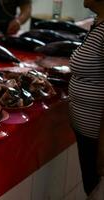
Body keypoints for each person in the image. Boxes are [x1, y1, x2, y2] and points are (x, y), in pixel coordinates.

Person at [68, 0, 104, 196]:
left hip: (98, 137)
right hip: (88, 132)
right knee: (92, 188)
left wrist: (103, 147)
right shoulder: (98, 24)